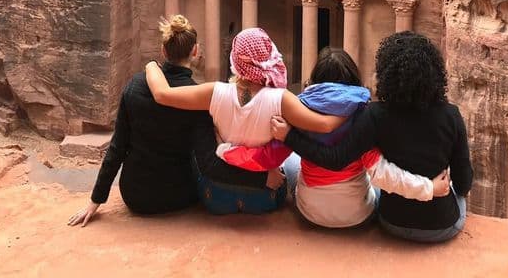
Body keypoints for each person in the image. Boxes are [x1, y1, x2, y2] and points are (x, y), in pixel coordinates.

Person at [68, 15, 280, 227]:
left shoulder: (135, 85)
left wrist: (95, 200)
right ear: (195, 52)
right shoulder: (197, 98)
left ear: (163, 50)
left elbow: (117, 147)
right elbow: (209, 165)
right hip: (179, 194)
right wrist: (261, 180)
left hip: (134, 195)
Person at [272, 31, 473, 243]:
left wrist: (290, 137)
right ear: (435, 74)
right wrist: (437, 188)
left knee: (299, 165)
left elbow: (337, 158)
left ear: (386, 73)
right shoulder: (451, 115)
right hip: (442, 225)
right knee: (452, 190)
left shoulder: (376, 115)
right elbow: (463, 182)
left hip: (392, 222)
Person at [215, 47, 451, 228]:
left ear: (315, 79)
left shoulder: (300, 110)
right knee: (374, 185)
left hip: (310, 213)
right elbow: (382, 173)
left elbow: (267, 156)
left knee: (291, 162)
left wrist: (227, 150)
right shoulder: (363, 116)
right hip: (357, 216)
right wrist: (429, 188)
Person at [144, 27, 346, 215]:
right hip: (266, 197)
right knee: (292, 161)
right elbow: (325, 125)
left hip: (215, 196)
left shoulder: (214, 92)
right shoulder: (281, 99)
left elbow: (162, 94)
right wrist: (357, 101)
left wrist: (151, 65)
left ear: (235, 61)